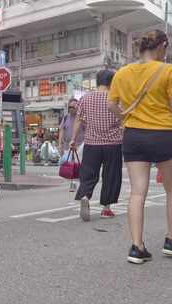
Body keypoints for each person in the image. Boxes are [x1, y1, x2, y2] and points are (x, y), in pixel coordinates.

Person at [108, 30, 172, 264]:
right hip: (165, 134)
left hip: (134, 135)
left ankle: (136, 247)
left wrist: (125, 119)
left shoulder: (122, 73)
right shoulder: (169, 71)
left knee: (137, 192)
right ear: (162, 47)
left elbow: (111, 104)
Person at [70, 69, 122, 222]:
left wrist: (73, 139)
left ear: (97, 82)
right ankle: (106, 208)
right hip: (113, 143)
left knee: (88, 173)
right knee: (111, 175)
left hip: (92, 143)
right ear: (112, 82)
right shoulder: (116, 98)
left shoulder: (85, 99)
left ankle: (85, 196)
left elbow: (78, 120)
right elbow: (123, 119)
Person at [59, 99, 84, 192]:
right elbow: (62, 130)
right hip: (67, 146)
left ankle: (79, 183)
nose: (71, 109)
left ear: (77, 107)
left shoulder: (81, 117)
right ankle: (73, 183)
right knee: (70, 166)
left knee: (78, 165)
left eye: (73, 107)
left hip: (79, 146)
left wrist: (81, 145)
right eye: (69, 107)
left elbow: (86, 131)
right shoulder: (66, 118)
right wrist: (60, 144)